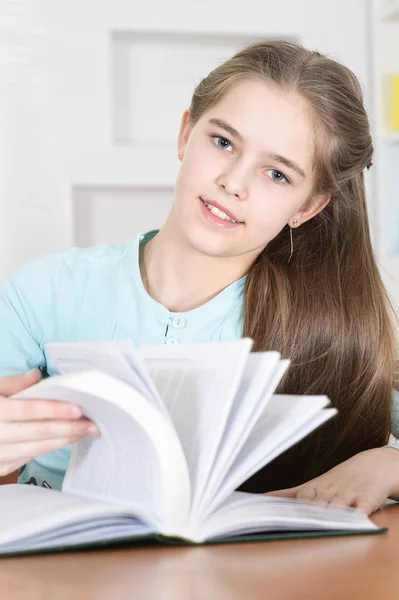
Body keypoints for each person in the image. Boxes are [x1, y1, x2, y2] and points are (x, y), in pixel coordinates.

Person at [0, 40, 398, 514]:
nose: (234, 182)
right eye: (223, 142)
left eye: (277, 174)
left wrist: (386, 463)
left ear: (308, 207)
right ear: (186, 133)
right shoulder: (44, 292)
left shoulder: (329, 331)